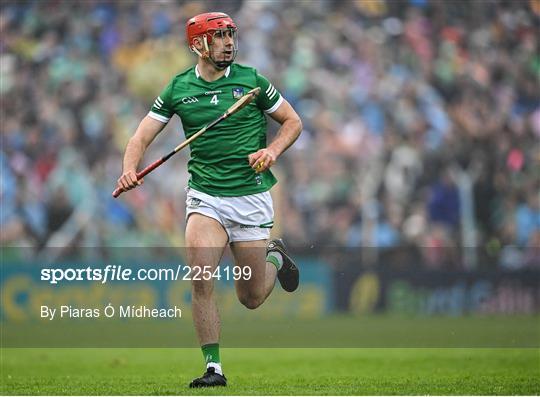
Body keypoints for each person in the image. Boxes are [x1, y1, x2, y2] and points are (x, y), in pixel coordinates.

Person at [115, 12, 302, 388]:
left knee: (250, 297)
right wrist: (129, 168)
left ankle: (274, 257)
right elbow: (140, 138)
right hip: (206, 198)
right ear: (198, 44)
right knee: (201, 278)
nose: (229, 42)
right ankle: (213, 368)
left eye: (231, 35)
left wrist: (272, 151)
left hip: (250, 197)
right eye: (219, 36)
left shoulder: (253, 81)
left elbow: (292, 122)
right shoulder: (177, 89)